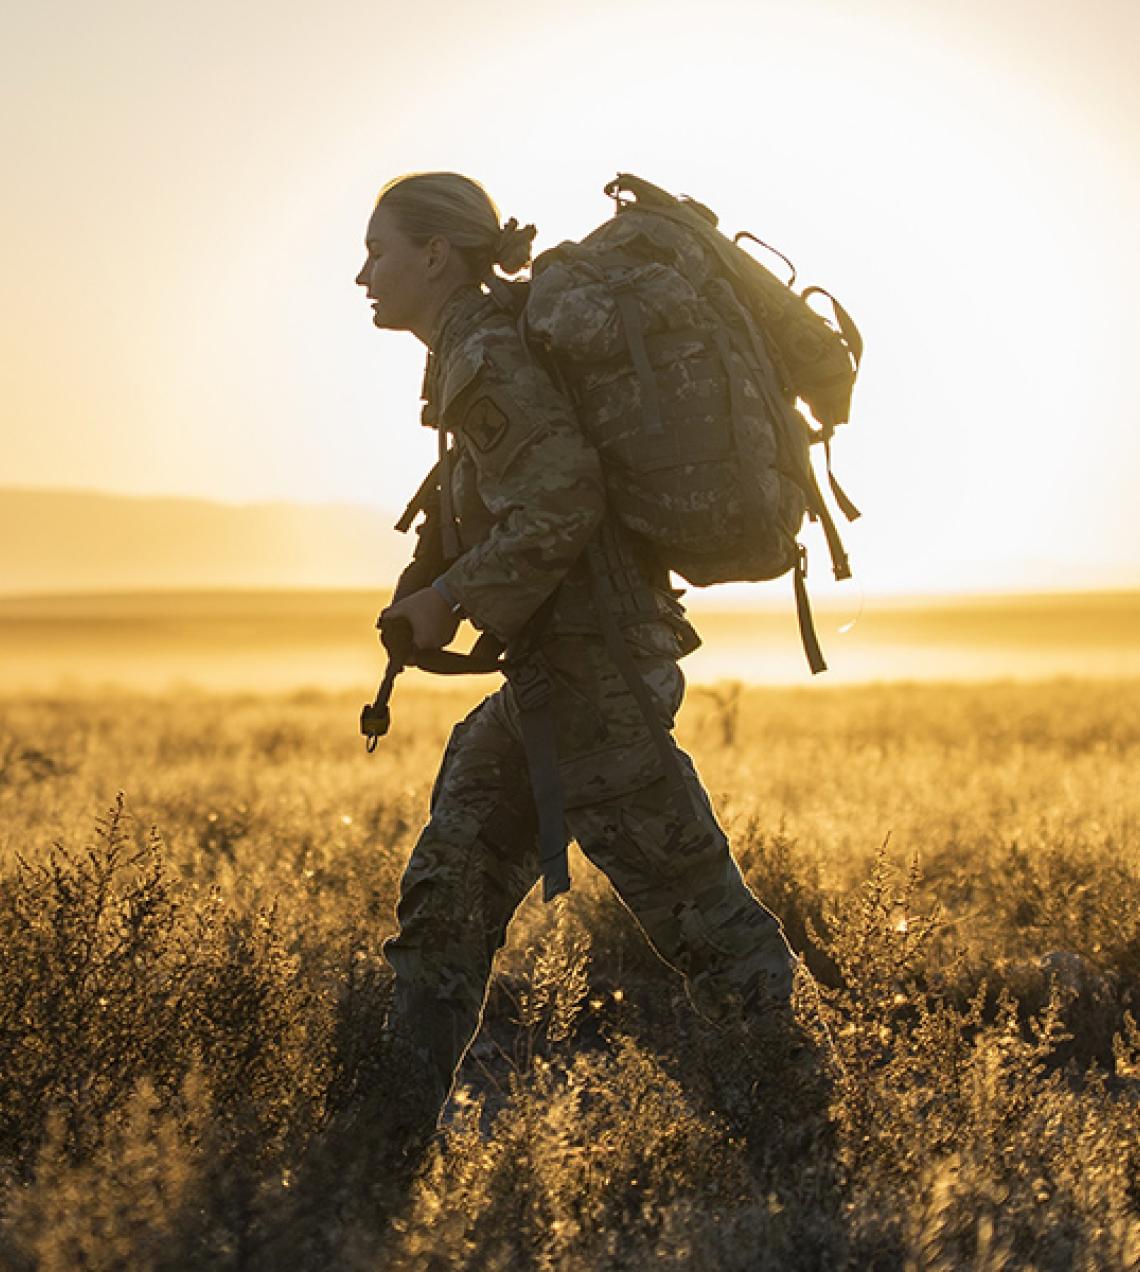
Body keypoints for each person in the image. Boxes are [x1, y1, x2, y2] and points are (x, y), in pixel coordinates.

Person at [354, 171, 798, 1151]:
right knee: (449, 887)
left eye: (379, 250)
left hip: (594, 685)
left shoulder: (482, 351)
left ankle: (816, 1131)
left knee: (705, 923)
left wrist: (450, 598)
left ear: (437, 254)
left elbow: (561, 501)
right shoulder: (475, 350)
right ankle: (379, 1145)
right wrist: (440, 571)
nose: (363, 275)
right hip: (558, 681)